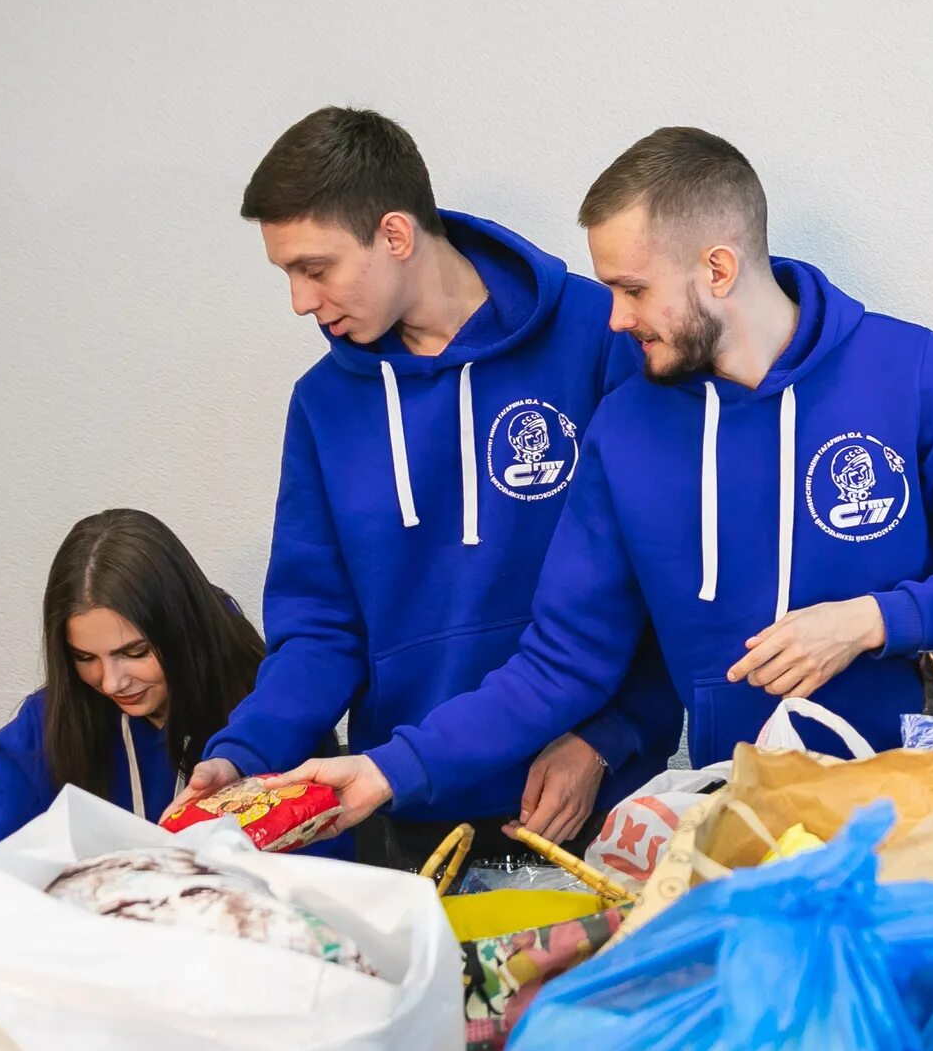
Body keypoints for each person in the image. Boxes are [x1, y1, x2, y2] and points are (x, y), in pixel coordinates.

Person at [276, 126, 933, 831]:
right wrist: (387, 769)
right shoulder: (625, 429)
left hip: (918, 817)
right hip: (745, 824)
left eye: (632, 289)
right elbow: (559, 662)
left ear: (717, 268)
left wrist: (870, 619)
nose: (614, 319)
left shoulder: (916, 372)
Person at [177, 107, 681, 859]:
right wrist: (242, 752)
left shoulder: (598, 334)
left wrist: (609, 737)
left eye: (316, 268)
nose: (301, 301)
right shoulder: (325, 404)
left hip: (580, 799)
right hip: (402, 799)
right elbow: (319, 629)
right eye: (288, 274)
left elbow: (664, 574)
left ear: (395, 235)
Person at [0, 509, 270, 842]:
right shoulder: (43, 729)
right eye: (84, 657)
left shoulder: (269, 716)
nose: (111, 683)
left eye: (135, 652)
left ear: (184, 630)